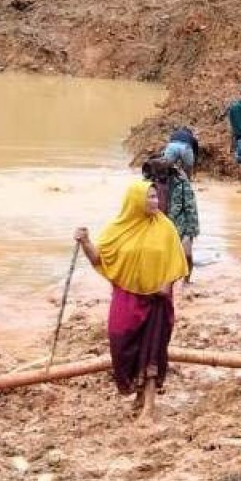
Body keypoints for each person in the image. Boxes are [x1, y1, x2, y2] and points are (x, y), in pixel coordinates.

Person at [74, 181, 188, 422]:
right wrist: (85, 242)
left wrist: (165, 287)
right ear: (135, 201)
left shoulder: (165, 227)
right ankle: (137, 393)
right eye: (149, 198)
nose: (155, 202)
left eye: (156, 197)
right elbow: (99, 258)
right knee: (120, 340)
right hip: (126, 297)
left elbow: (175, 261)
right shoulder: (118, 229)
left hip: (156, 300)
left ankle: (149, 405)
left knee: (152, 350)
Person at [143, 156, 199, 284]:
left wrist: (191, 231)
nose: (160, 175)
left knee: (187, 254)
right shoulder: (146, 182)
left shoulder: (180, 181)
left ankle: (186, 281)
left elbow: (190, 205)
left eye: (163, 172)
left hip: (180, 222)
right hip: (157, 223)